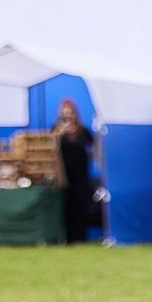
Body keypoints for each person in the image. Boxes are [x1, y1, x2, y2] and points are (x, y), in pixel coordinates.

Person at [52, 99, 100, 243]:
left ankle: (81, 237)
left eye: (70, 113)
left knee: (82, 205)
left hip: (82, 176)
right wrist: (59, 133)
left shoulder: (83, 131)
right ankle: (67, 237)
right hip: (64, 176)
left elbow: (94, 148)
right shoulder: (55, 130)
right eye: (65, 114)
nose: (68, 117)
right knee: (67, 207)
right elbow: (51, 148)